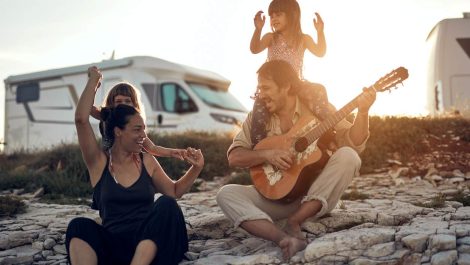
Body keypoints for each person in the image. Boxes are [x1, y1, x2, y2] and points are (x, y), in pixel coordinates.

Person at [216, 60, 376, 260]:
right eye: (259, 88)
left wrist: (362, 112)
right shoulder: (257, 117)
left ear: (286, 86)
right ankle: (283, 239)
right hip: (274, 198)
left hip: (314, 198)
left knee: (348, 156)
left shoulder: (319, 110)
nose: (260, 94)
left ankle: (296, 221)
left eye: (266, 88)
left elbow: (354, 143)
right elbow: (234, 157)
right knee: (226, 194)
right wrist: (267, 154)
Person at [66, 66, 204, 265]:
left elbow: (174, 191)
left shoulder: (147, 160)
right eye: (137, 130)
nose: (143, 136)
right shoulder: (99, 162)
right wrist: (94, 81)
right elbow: (81, 119)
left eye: (144, 130)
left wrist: (196, 168)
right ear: (118, 132)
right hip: (114, 244)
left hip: (149, 245)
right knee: (78, 226)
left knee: (167, 204)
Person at [249, 0, 329, 146]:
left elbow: (320, 52)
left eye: (278, 15)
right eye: (271, 16)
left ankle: (328, 130)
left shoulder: (303, 39)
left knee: (319, 90)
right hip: (274, 86)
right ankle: (258, 145)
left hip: (295, 84)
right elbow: (254, 49)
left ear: (292, 15)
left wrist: (320, 31)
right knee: (259, 109)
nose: (274, 19)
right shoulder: (270, 37)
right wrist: (258, 29)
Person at [90, 82, 187, 159]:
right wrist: (93, 85)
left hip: (131, 164)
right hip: (108, 162)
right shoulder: (107, 116)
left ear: (134, 104)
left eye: (127, 101)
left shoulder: (135, 122)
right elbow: (88, 108)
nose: (123, 104)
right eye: (118, 101)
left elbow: (152, 148)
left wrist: (173, 152)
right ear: (112, 103)